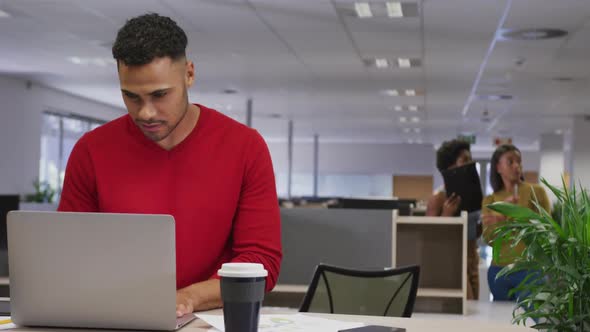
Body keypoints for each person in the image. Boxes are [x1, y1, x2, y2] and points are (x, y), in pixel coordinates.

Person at [57, 13, 282, 316]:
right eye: (131, 96)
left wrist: (188, 298)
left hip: (208, 319)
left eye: (160, 95)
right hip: (117, 315)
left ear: (189, 74)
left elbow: (261, 260)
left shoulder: (245, 146)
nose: (146, 112)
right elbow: (68, 253)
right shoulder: (90, 150)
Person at [482, 144, 550, 301]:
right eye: (510, 162)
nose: (516, 166)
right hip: (498, 271)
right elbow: (489, 240)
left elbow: (547, 230)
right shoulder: (490, 200)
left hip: (529, 269)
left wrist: (513, 215)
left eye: (519, 161)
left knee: (530, 322)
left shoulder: (536, 192)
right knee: (502, 322)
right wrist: (500, 219)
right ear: (498, 167)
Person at [426, 139, 480, 300]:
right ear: (450, 167)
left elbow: (472, 234)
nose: (470, 164)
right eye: (464, 160)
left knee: (474, 307)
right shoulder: (438, 199)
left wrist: (483, 224)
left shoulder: (471, 196)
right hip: (450, 261)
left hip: (472, 258)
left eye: (470, 159)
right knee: (467, 307)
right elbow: (428, 238)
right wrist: (447, 215)